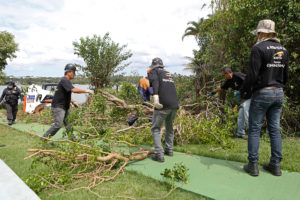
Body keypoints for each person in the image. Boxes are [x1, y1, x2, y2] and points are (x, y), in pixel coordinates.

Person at [241, 19, 289, 176]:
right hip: (278, 92)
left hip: (263, 93)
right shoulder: (284, 49)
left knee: (254, 128)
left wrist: (244, 91)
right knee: (274, 129)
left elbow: (252, 75)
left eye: (258, 33)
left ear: (261, 33)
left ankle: (253, 165)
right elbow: (286, 75)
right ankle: (275, 165)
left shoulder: (258, 48)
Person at [41, 64, 94, 141]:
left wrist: (74, 102)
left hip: (64, 107)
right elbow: (74, 90)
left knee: (68, 124)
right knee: (58, 125)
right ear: (69, 72)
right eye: (74, 72)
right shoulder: (64, 80)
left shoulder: (66, 81)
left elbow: (66, 95)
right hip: (58, 107)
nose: (75, 75)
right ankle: (43, 139)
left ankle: (72, 139)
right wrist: (87, 90)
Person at [148, 57, 179, 162]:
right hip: (174, 104)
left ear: (153, 66)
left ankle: (158, 154)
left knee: (155, 128)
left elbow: (155, 83)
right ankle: (169, 150)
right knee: (169, 127)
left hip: (163, 104)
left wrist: (156, 98)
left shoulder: (154, 71)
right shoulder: (167, 73)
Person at [209, 67, 251, 139]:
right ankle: (240, 134)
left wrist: (241, 91)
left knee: (247, 114)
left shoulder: (237, 75)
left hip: (250, 97)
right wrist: (213, 92)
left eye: (223, 75)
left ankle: (253, 134)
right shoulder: (228, 81)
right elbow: (222, 88)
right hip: (242, 99)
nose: (223, 77)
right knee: (240, 116)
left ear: (228, 73)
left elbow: (249, 80)